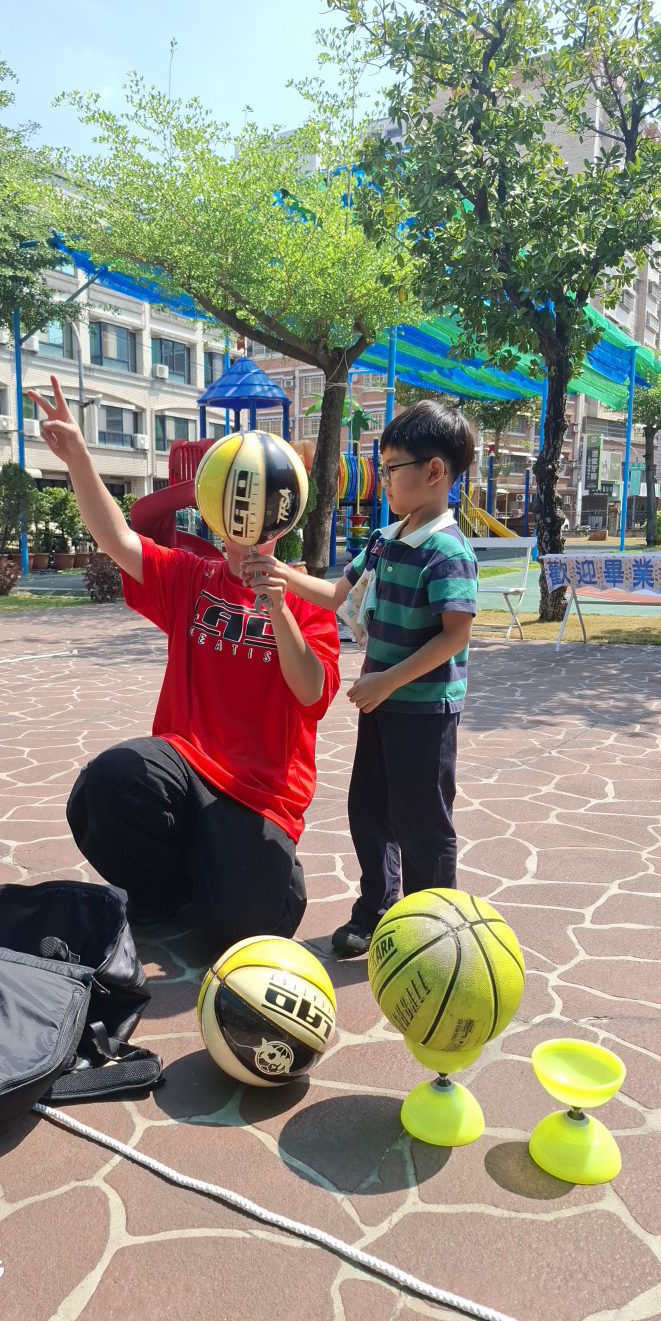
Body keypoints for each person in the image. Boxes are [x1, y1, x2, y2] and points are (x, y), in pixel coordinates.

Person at [28, 377, 340, 954]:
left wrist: (277, 606)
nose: (242, 537)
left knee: (244, 931)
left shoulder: (306, 601)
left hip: (259, 793)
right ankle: (165, 891)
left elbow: (311, 693)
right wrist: (78, 458)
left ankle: (242, 877)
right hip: (186, 762)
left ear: (281, 517)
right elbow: (117, 538)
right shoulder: (191, 577)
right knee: (107, 784)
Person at [245, 401, 478, 957]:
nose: (385, 479)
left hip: (423, 709)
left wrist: (387, 680)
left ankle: (433, 924)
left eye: (392, 468)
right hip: (382, 703)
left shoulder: (448, 551)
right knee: (368, 810)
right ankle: (378, 908)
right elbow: (336, 595)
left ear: (434, 471)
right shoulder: (384, 538)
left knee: (422, 820)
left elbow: (455, 636)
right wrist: (280, 574)